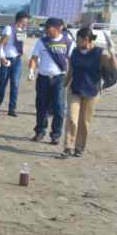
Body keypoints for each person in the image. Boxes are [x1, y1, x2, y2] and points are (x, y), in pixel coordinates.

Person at [58, 28, 117, 158]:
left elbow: (114, 67)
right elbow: (71, 71)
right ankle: (68, 147)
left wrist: (112, 52)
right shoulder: (75, 52)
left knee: (84, 121)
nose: (76, 42)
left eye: (78, 40)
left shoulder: (99, 53)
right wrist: (63, 86)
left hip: (92, 91)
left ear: (86, 40)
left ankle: (79, 147)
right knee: (72, 118)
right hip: (75, 89)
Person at [27, 17, 74, 145]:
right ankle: (40, 131)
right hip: (43, 78)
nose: (46, 30)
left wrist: (70, 77)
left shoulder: (68, 42)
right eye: (46, 27)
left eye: (49, 27)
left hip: (59, 78)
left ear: (59, 28)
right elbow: (34, 58)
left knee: (59, 107)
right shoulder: (41, 42)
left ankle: (55, 135)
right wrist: (31, 71)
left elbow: (72, 61)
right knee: (41, 106)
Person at [0, 11, 30, 117]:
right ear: (21, 19)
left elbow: (20, 45)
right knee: (2, 84)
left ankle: (12, 109)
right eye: (26, 19)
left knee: (15, 85)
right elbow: (0, 45)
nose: (27, 21)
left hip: (17, 60)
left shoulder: (23, 31)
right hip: (6, 60)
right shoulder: (9, 28)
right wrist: (2, 58)